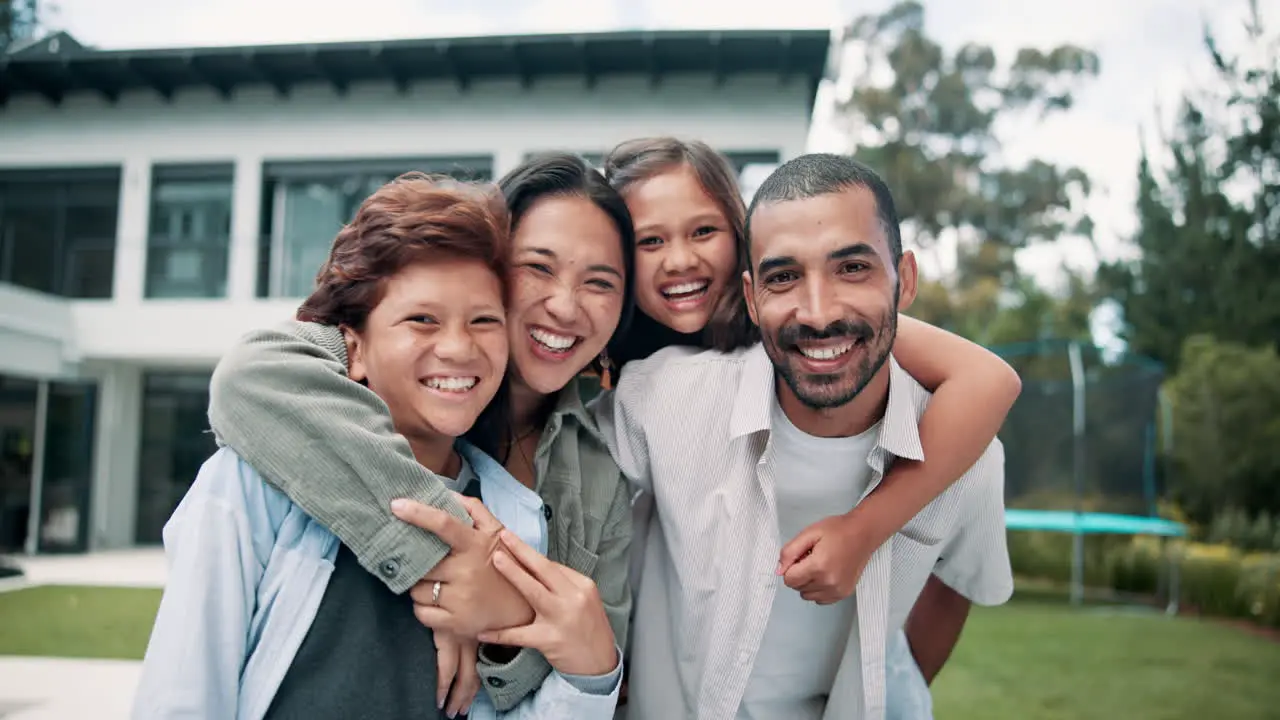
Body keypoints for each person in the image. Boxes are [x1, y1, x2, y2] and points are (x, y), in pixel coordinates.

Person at [205, 146, 1019, 712]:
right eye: (539, 268)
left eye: (600, 279)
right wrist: (453, 560)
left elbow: (980, 383)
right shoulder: (400, 380)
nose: (567, 305)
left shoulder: (606, 438)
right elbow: (254, 376)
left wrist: (508, 624)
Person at [132, 173, 623, 719]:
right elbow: (183, 693)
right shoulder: (251, 486)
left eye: (484, 321)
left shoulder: (515, 524)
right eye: (422, 320)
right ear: (354, 348)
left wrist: (587, 670)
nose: (458, 348)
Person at [594, 153, 1015, 720]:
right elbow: (551, 489)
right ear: (750, 295)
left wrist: (879, 689)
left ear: (905, 280)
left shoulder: (966, 452)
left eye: (853, 268)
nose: (819, 313)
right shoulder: (660, 398)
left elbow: (958, 583)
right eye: (784, 276)